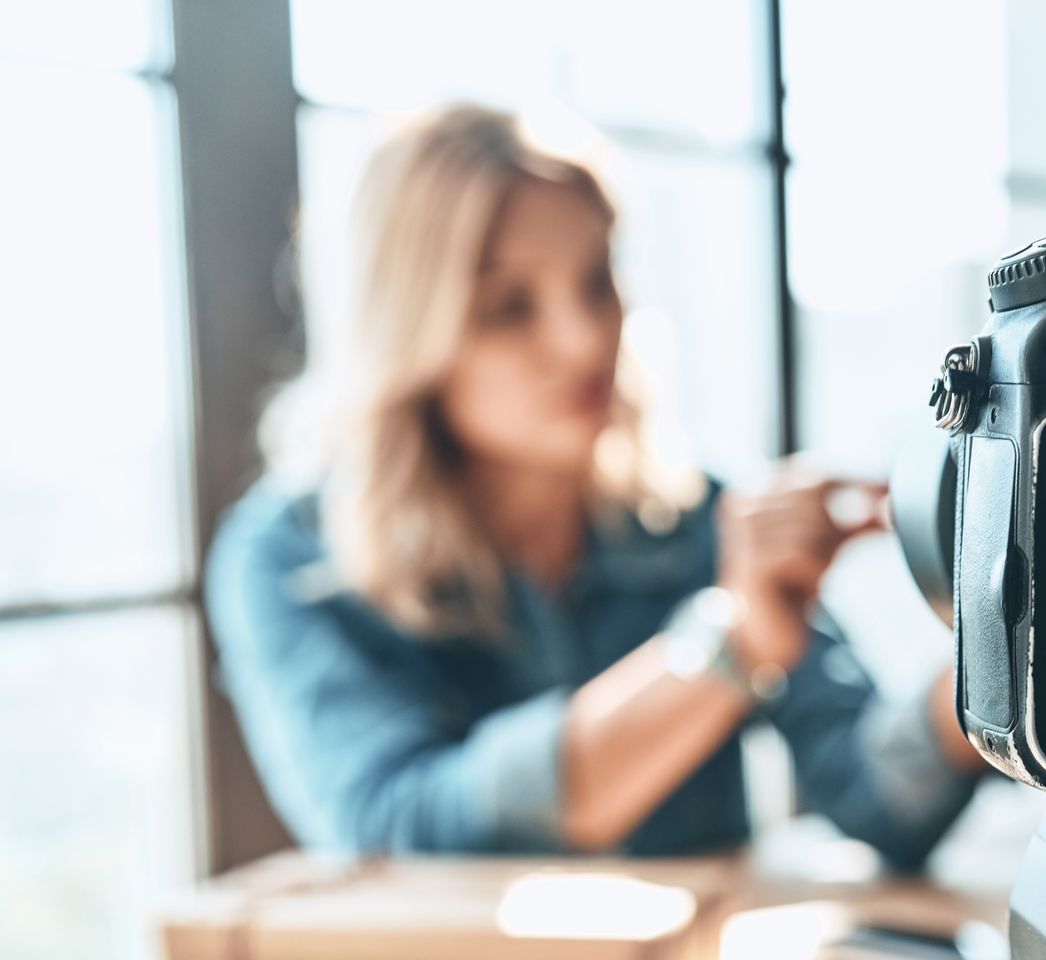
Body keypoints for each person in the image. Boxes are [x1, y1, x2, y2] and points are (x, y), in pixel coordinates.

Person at [204, 105, 981, 869]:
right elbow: (397, 829)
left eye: (596, 278)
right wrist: (730, 646)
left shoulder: (700, 515)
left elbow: (875, 797)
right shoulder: (289, 556)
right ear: (411, 330)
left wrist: (1011, 661)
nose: (585, 338)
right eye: (509, 307)